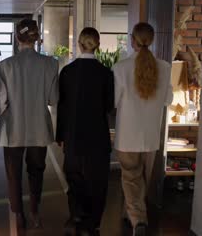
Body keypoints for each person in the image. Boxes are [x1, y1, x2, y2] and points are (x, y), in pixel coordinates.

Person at [0, 19, 59, 231]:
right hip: (39, 127)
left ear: (17, 38)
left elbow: (1, 102)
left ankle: (18, 214)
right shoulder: (51, 64)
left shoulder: (5, 66)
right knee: (37, 170)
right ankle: (35, 209)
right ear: (36, 37)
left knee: (13, 173)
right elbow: (53, 99)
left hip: (12, 128)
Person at [112, 22, 173, 236]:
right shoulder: (165, 68)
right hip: (150, 135)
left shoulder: (120, 68)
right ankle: (130, 212)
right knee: (143, 178)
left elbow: (114, 100)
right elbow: (168, 99)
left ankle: (138, 219)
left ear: (132, 40)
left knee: (130, 176)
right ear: (152, 40)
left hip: (127, 134)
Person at [56, 27, 114, 236]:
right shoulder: (106, 73)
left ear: (79, 44)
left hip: (73, 135)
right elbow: (109, 106)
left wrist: (60, 136)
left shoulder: (68, 72)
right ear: (97, 45)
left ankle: (76, 216)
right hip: (98, 136)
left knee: (74, 177)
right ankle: (94, 222)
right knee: (97, 181)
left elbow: (61, 106)